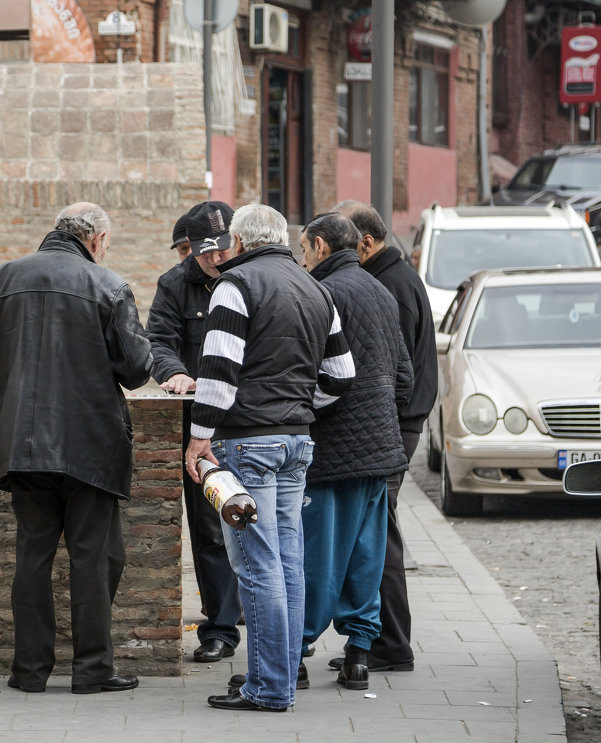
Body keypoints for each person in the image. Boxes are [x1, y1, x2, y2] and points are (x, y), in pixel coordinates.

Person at [0, 202, 153, 695]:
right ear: (96, 239)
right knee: (94, 558)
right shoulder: (108, 286)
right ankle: (92, 670)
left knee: (33, 556)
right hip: (92, 445)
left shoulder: (3, 279)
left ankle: (29, 671)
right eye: (107, 243)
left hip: (22, 446)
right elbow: (135, 369)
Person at [183, 203, 355, 712]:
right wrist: (302, 405)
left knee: (256, 566)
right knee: (286, 563)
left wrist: (198, 440)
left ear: (238, 242)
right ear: (280, 238)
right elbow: (341, 375)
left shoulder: (236, 287)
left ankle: (270, 686)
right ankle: (277, 676)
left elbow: (216, 374)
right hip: (296, 442)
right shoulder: (316, 288)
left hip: (247, 443)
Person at [296, 212, 412, 692]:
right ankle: (358, 658)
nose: (301, 260)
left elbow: (315, 377)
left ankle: (295, 653)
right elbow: (403, 378)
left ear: (321, 246)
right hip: (381, 449)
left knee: (318, 558)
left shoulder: (323, 294)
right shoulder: (380, 291)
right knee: (366, 557)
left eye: (303, 250)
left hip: (335, 448)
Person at [330, 200, 437, 674]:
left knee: (378, 534)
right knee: (378, 531)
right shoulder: (391, 276)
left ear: (366, 244)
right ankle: (381, 638)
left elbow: (398, 372)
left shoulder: (389, 283)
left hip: (395, 425)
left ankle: (389, 641)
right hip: (395, 423)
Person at [146, 201, 242, 663]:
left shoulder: (250, 277)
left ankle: (256, 616)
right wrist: (174, 372)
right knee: (209, 527)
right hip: (199, 421)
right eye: (206, 253)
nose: (216, 259)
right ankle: (220, 628)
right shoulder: (174, 284)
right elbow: (158, 341)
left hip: (247, 419)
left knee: (259, 521)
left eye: (222, 250)